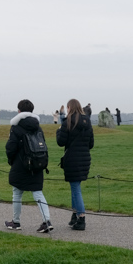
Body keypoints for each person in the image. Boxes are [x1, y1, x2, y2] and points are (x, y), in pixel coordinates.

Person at [4, 99, 54, 234]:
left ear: (19, 111)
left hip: (21, 164)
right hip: (37, 163)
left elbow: (11, 147)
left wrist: (11, 160)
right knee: (38, 192)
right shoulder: (38, 127)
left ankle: (16, 222)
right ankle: (47, 221)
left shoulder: (16, 127)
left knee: (17, 192)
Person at [56, 99, 94, 231]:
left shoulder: (67, 122)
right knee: (74, 187)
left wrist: (59, 131)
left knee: (76, 189)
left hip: (72, 158)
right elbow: (91, 144)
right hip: (84, 158)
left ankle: (81, 218)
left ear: (69, 108)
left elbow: (61, 142)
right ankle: (74, 215)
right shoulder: (87, 121)